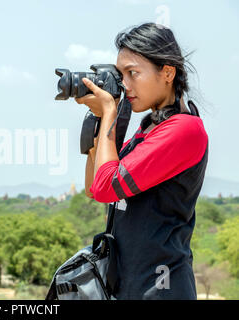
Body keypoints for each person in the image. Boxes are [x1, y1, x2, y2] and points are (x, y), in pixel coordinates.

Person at [75, 22, 208, 299]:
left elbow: (106, 186)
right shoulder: (147, 129)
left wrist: (111, 113)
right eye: (120, 74)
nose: (124, 84)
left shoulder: (184, 129)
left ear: (167, 72)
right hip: (130, 286)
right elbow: (93, 187)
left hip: (162, 289)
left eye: (133, 73)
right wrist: (100, 122)